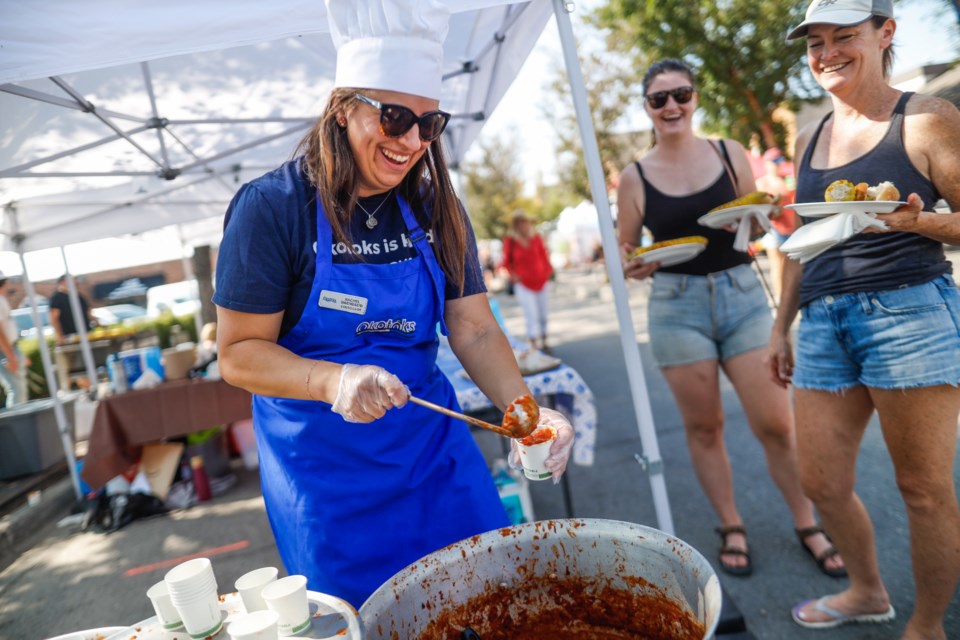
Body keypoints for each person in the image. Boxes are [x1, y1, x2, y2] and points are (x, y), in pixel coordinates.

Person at [213, 0, 574, 608]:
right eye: (395, 116)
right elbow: (238, 354)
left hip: (434, 455)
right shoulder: (272, 207)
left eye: (429, 125)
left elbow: (475, 329)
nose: (411, 141)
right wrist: (335, 379)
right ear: (341, 107)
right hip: (327, 481)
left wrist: (525, 414)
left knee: (494, 603)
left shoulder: (435, 206)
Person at [770, 1, 960, 635]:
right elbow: (802, 239)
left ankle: (928, 625)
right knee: (820, 480)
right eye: (816, 42)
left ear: (884, 34)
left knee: (923, 490)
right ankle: (866, 591)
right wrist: (781, 326)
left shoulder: (926, 119)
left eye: (844, 36)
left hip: (909, 310)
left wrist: (917, 221)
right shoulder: (809, 136)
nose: (828, 53)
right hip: (822, 320)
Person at [617, 58, 844, 579]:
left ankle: (807, 522)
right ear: (648, 108)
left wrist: (761, 219)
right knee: (704, 426)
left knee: (777, 425)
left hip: (742, 296)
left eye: (681, 94)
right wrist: (637, 264)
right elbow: (628, 254)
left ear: (694, 98)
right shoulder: (635, 176)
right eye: (659, 99)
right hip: (676, 304)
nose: (671, 105)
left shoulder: (729, 152)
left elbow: (758, 223)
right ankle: (731, 523)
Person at [501, 210, 554, 352]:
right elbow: (505, 262)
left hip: (541, 281)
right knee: (531, 314)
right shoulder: (510, 241)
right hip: (524, 284)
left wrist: (548, 271)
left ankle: (544, 339)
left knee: (543, 313)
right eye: (520, 223)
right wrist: (513, 276)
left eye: (525, 222)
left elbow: (544, 256)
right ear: (516, 225)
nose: (524, 226)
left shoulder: (536, 238)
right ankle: (534, 345)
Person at [756, 147, 798, 301]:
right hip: (773, 228)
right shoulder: (761, 183)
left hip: (791, 227)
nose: (778, 165)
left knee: (792, 265)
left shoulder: (787, 179)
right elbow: (758, 207)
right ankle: (780, 298)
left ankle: (792, 297)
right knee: (776, 265)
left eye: (779, 162)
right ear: (767, 163)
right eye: (775, 162)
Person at [0, 273, 27, 406]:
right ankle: (17, 425)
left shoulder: (2, 300)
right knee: (17, 390)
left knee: (19, 389)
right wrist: (10, 355)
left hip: (9, 349)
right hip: (4, 351)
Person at [48, 275, 92, 344]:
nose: (76, 282)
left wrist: (99, 324)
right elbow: (54, 319)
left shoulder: (78, 296)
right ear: (63, 282)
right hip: (69, 337)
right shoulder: (57, 298)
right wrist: (60, 336)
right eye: (73, 280)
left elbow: (88, 313)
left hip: (86, 333)